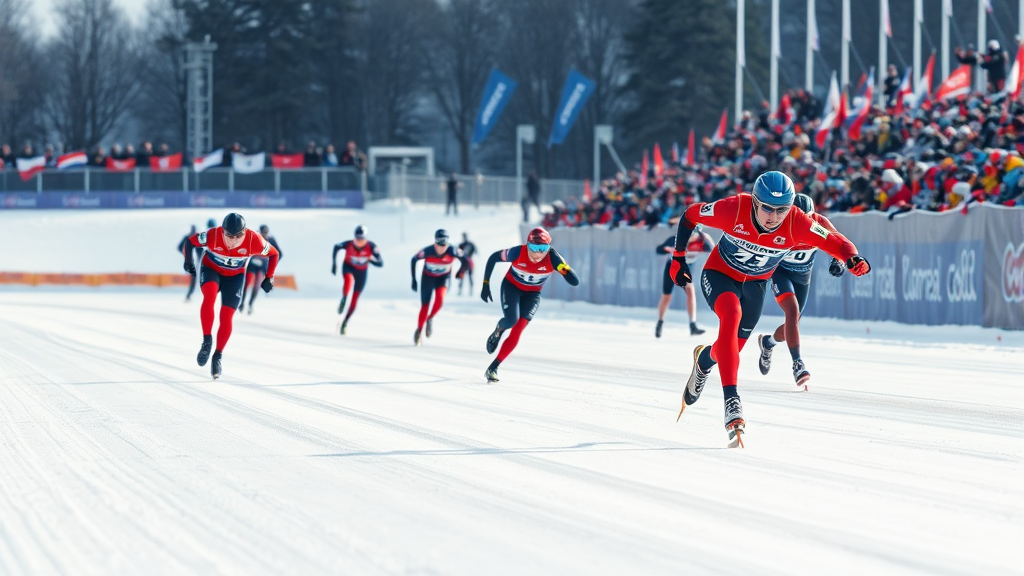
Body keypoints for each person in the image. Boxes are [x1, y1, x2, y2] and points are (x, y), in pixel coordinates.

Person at [669, 171, 870, 448]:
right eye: (767, 208)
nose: (774, 217)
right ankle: (732, 402)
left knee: (731, 349)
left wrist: (851, 257)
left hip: (756, 285)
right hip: (720, 274)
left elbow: (835, 240)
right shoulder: (734, 207)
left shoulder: (798, 222)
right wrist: (678, 258)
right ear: (754, 202)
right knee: (731, 315)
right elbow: (691, 214)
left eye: (781, 210)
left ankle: (704, 360)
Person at [757, 194, 848, 389]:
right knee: (792, 311)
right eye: (797, 220)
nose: (803, 226)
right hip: (781, 273)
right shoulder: (777, 224)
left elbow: (839, 244)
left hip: (802, 277)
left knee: (793, 321)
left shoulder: (820, 223)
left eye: (806, 220)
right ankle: (797, 364)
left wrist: (838, 261)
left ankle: (768, 343)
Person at [182, 213, 279, 379]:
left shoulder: (254, 240)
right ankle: (207, 341)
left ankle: (217, 356)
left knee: (226, 316)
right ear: (222, 231)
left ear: (245, 232)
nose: (233, 240)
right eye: (229, 235)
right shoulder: (213, 235)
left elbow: (274, 254)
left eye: (238, 236)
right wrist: (188, 261)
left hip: (235, 277)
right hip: (211, 270)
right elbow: (190, 242)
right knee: (209, 297)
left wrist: (269, 277)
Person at [480, 227, 579, 382]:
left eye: (542, 249)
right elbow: (493, 257)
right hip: (511, 287)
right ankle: (499, 330)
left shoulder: (554, 258)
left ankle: (493, 367)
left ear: (548, 248)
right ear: (527, 245)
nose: (537, 254)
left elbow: (574, 281)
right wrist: (486, 283)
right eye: (533, 248)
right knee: (511, 320)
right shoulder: (517, 252)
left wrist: (565, 270)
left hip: (532, 294)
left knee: (518, 329)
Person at [410, 229, 467, 345]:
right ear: (434, 243)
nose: (441, 248)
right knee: (424, 306)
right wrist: (414, 280)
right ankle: (419, 331)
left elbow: (467, 261)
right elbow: (414, 259)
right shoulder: (427, 251)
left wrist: (460, 272)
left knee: (440, 300)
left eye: (444, 245)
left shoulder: (453, 250)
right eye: (438, 245)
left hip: (443, 279)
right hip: (428, 278)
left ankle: (430, 318)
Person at [655, 226, 713, 338]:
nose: (689, 240)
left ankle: (692, 324)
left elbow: (711, 247)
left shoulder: (701, 240)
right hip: (672, 268)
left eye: (692, 237)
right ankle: (660, 322)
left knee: (691, 293)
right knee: (667, 296)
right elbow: (659, 249)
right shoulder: (675, 239)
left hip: (686, 268)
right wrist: (666, 249)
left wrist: (705, 237)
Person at [332, 225, 383, 334]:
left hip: (361, 272)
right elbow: (336, 247)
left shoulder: (372, 247)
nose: (359, 242)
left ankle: (345, 322)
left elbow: (381, 263)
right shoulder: (348, 244)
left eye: (362, 239)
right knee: (348, 280)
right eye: (357, 239)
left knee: (355, 299)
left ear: (366, 239)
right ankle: (344, 298)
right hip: (349, 267)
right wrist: (334, 264)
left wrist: (371, 260)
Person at [240, 224, 283, 315]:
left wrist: (272, 264)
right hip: (252, 264)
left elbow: (279, 254)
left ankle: (250, 304)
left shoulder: (271, 240)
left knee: (257, 285)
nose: (264, 235)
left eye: (265, 233)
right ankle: (242, 303)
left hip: (262, 266)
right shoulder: (256, 237)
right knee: (247, 283)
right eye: (263, 232)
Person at [177, 225, 199, 302]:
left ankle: (189, 295)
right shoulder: (193, 237)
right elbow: (179, 247)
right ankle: (189, 295)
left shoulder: (196, 238)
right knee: (193, 278)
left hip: (194, 261)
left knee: (193, 278)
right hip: (191, 261)